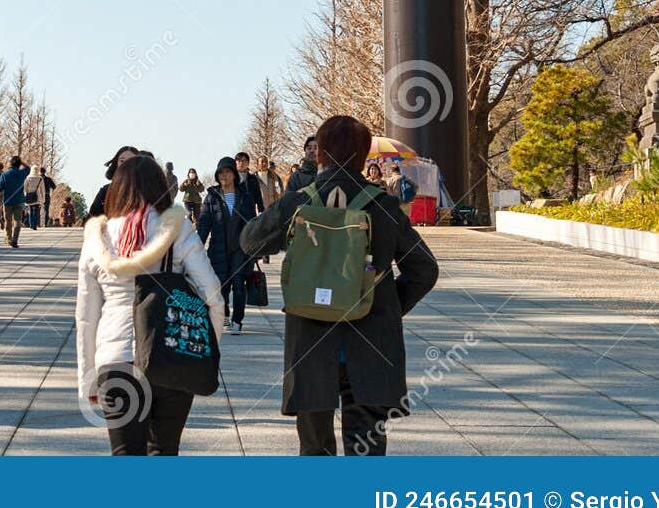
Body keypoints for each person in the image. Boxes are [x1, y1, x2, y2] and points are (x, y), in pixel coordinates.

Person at [241, 115, 440, 456]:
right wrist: (385, 305)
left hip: (311, 337)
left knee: (315, 447)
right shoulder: (383, 205)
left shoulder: (299, 201)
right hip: (371, 340)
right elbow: (424, 270)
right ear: (364, 157)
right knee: (366, 446)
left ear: (320, 153)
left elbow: (250, 242)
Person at [76, 151, 223, 456]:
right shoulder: (179, 229)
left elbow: (86, 317)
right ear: (160, 187)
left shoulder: (98, 237)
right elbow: (212, 294)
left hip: (116, 359)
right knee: (164, 451)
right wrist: (206, 350)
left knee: (126, 455)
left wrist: (87, 378)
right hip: (171, 353)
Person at [196, 154, 263, 335]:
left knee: (239, 284)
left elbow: (252, 223)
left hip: (240, 248)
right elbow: (204, 224)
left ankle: (237, 320)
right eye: (220, 173)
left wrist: (256, 247)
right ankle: (224, 314)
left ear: (234, 174)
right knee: (221, 284)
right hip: (219, 247)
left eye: (227, 172)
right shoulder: (212, 197)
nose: (223, 176)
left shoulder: (245, 196)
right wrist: (196, 247)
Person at [88, 146, 138, 219]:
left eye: (132, 161)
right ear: (116, 164)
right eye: (122, 161)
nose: (126, 164)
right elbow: (93, 217)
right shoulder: (106, 191)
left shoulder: (146, 191)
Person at [0, 155, 31, 247]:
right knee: (18, 221)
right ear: (19, 164)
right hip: (19, 201)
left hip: (7, 202)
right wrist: (20, 161)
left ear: (10, 163)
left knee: (8, 221)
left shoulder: (5, 174)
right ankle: (15, 239)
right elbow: (28, 168)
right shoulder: (22, 173)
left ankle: (9, 238)